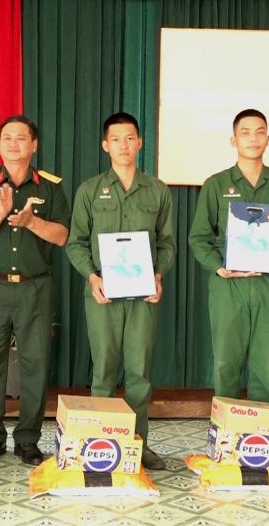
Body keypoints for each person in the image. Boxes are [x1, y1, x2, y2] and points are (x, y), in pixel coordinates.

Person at [66, 112, 175, 471]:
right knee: (104, 372)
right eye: (116, 139)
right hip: (104, 295)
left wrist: (158, 274)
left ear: (140, 142)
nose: (124, 146)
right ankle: (102, 444)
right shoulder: (89, 190)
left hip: (144, 296)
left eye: (130, 138)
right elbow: (76, 242)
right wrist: (91, 277)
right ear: (105, 145)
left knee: (139, 374)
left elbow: (167, 243)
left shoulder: (157, 190)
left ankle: (137, 444)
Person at [0, 115, 70, 466]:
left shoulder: (50, 187)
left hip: (34, 288)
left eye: (21, 138)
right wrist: (0, 215)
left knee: (35, 363)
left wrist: (30, 221)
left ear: (34, 145)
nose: (13, 144)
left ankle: (27, 438)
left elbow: (62, 236)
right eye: (6, 137)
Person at [188, 109, 269, 404]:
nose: (253, 138)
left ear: (268, 139)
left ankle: (263, 428)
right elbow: (198, 238)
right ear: (233, 140)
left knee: (267, 365)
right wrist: (219, 267)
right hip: (228, 285)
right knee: (226, 362)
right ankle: (226, 428)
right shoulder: (216, 184)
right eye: (245, 132)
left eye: (260, 132)